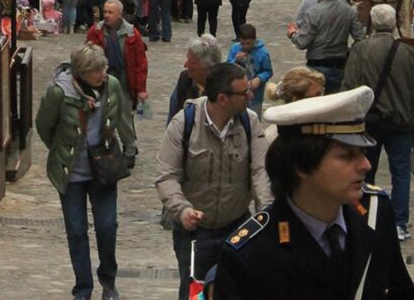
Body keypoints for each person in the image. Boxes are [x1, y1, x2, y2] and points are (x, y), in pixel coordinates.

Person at [214, 86, 414, 300]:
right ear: (302, 165)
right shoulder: (251, 253)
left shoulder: (375, 213)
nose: (365, 165)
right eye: (347, 155)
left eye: (363, 153)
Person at [155, 63, 271, 299]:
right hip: (196, 231)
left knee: (238, 290)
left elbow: (261, 172)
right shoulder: (184, 123)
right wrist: (183, 210)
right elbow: (166, 175)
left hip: (237, 225)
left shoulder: (250, 123)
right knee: (194, 293)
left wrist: (265, 214)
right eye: (244, 91)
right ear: (222, 98)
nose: (250, 95)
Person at [36, 44, 124, 300]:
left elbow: (117, 118)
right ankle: (83, 288)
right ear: (82, 72)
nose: (103, 74)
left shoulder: (112, 86)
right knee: (76, 230)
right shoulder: (59, 93)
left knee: (107, 226)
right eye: (97, 70)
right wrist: (63, 151)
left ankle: (108, 281)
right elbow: (44, 126)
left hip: (103, 170)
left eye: (104, 68)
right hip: (72, 173)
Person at [342, 3, 414, 242]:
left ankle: (366, 218)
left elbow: (350, 87)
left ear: (372, 23)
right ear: (394, 24)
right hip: (401, 123)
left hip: (369, 122)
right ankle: (399, 223)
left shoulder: (361, 50)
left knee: (364, 172)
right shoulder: (406, 53)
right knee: (401, 174)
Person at [86, 0, 148, 166]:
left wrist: (141, 88)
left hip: (124, 82)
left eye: (110, 12)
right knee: (101, 116)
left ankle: (129, 148)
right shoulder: (96, 32)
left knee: (123, 117)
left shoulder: (132, 34)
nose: (106, 15)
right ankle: (103, 149)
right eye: (104, 12)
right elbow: (87, 57)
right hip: (101, 81)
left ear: (119, 14)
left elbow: (140, 63)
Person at [287, 0, 366, 93]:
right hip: (339, 66)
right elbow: (360, 37)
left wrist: (292, 34)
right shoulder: (348, 11)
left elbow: (302, 42)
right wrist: (350, 51)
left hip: (317, 66)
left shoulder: (313, 12)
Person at [167, 35, 222, 121]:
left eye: (192, 62)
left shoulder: (225, 87)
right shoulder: (185, 79)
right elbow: (173, 118)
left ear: (207, 67)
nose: (185, 65)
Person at [225, 24, 272, 117]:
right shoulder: (234, 49)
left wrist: (259, 78)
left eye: (248, 43)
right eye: (242, 43)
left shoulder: (263, 53)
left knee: (254, 120)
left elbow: (268, 71)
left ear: (254, 40)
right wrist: (235, 60)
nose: (245, 46)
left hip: (255, 96)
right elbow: (226, 68)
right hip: (236, 95)